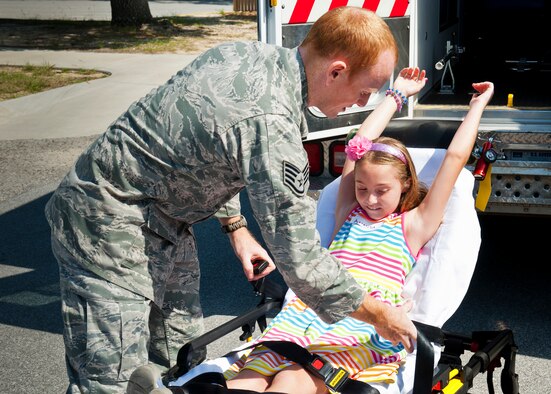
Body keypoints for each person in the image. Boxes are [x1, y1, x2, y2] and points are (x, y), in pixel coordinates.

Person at [44, 6, 415, 393]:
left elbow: (204, 148)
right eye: (364, 92)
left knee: (179, 355)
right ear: (335, 71)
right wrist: (380, 315)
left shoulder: (244, 54)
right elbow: (302, 261)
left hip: (163, 220)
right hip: (104, 221)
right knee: (113, 380)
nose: (360, 104)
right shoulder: (271, 124)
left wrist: (236, 226)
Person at [223, 76, 494, 393]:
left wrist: (477, 107)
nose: (370, 199)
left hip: (360, 325)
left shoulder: (413, 225)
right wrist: (397, 94)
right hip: (304, 314)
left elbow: (454, 158)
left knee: (292, 379)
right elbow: (358, 143)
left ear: (405, 184)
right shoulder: (347, 211)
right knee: (247, 379)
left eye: (382, 191)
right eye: (362, 188)